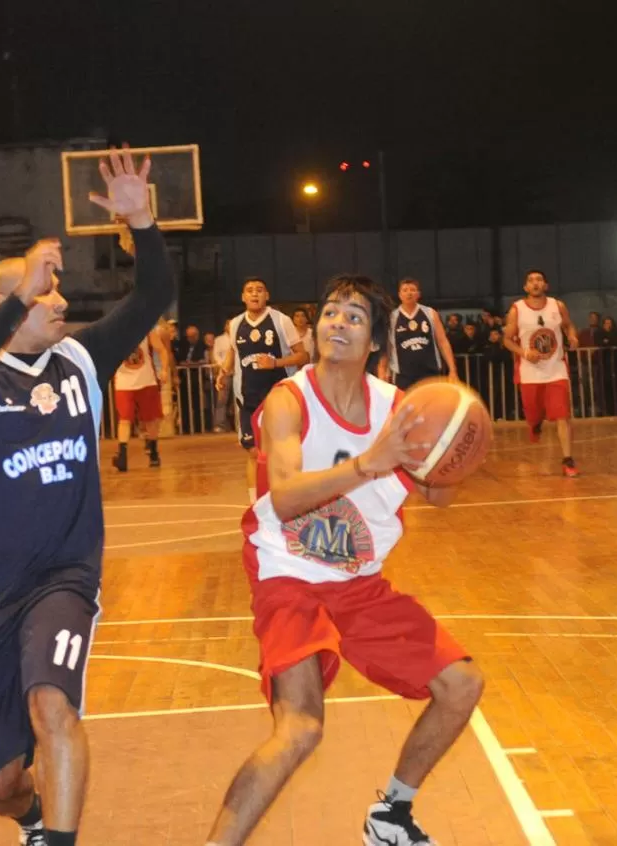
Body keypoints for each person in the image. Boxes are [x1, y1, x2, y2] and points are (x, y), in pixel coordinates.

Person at [0, 148, 172, 846]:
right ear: (2, 308)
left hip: (60, 579)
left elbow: (152, 296)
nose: (60, 298)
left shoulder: (80, 361)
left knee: (51, 705)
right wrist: (15, 295)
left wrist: (143, 223)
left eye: (57, 286)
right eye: (46, 289)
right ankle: (33, 821)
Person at [205, 275, 483, 846]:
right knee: (301, 727)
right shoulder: (290, 398)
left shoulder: (399, 408)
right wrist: (369, 463)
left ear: (376, 342)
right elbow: (283, 497)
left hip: (360, 584)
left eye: (354, 317)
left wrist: (455, 454)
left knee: (462, 685)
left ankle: (392, 816)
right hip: (289, 573)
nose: (336, 323)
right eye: (330, 312)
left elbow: (438, 494)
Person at [216, 278, 309, 502]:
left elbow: (303, 355)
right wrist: (224, 371)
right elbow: (232, 352)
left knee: (283, 451)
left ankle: (290, 498)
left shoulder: (281, 320)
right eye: (249, 290)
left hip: (278, 396)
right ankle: (255, 505)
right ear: (243, 297)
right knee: (253, 452)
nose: (254, 294)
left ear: (267, 295)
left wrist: (275, 363)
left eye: (259, 290)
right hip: (248, 398)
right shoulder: (236, 323)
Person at [502, 269, 581, 477]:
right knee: (534, 415)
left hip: (556, 370)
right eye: (531, 280)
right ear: (525, 287)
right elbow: (507, 340)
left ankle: (568, 459)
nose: (535, 283)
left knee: (562, 415)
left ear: (546, 285)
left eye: (539, 280)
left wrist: (572, 337)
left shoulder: (558, 306)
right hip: (530, 373)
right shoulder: (517, 310)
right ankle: (535, 424)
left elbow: (568, 326)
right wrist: (525, 352)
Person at [112, 323, 171, 471]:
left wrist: (164, 369)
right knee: (130, 419)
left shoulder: (145, 329)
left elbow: (162, 350)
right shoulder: (117, 331)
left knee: (144, 419)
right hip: (129, 382)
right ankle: (134, 455)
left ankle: (147, 453)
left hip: (141, 381)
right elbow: (162, 350)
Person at [383, 278, 458, 388]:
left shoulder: (430, 313)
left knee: (432, 404)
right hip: (403, 375)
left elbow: (443, 342)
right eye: (405, 290)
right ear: (400, 295)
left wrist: (452, 369)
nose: (409, 293)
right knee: (406, 405)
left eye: (412, 290)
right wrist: (384, 371)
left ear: (418, 294)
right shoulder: (392, 317)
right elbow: (387, 347)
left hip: (430, 372)